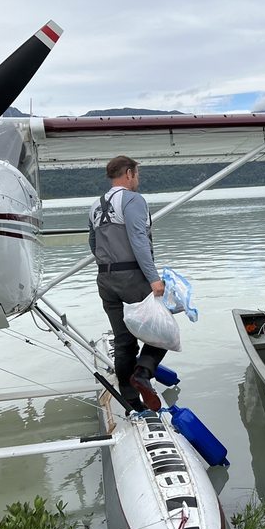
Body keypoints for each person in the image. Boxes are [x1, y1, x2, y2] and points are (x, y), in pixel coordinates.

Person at [89, 155, 165, 411]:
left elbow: (93, 244)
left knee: (123, 341)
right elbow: (138, 239)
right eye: (137, 174)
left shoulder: (95, 206)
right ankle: (143, 374)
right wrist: (153, 277)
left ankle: (132, 403)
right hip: (132, 277)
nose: (138, 180)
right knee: (160, 329)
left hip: (105, 279)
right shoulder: (133, 200)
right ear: (129, 173)